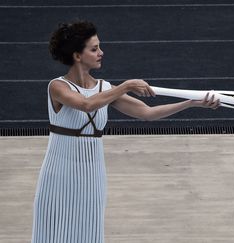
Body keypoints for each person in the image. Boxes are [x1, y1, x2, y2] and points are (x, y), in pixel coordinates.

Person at [31, 20, 219, 243]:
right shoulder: (58, 87)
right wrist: (127, 86)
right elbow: (86, 104)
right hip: (58, 173)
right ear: (77, 55)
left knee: (88, 231)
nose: (101, 52)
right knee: (53, 231)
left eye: (99, 47)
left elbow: (147, 113)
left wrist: (190, 104)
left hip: (92, 175)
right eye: (94, 49)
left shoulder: (105, 89)